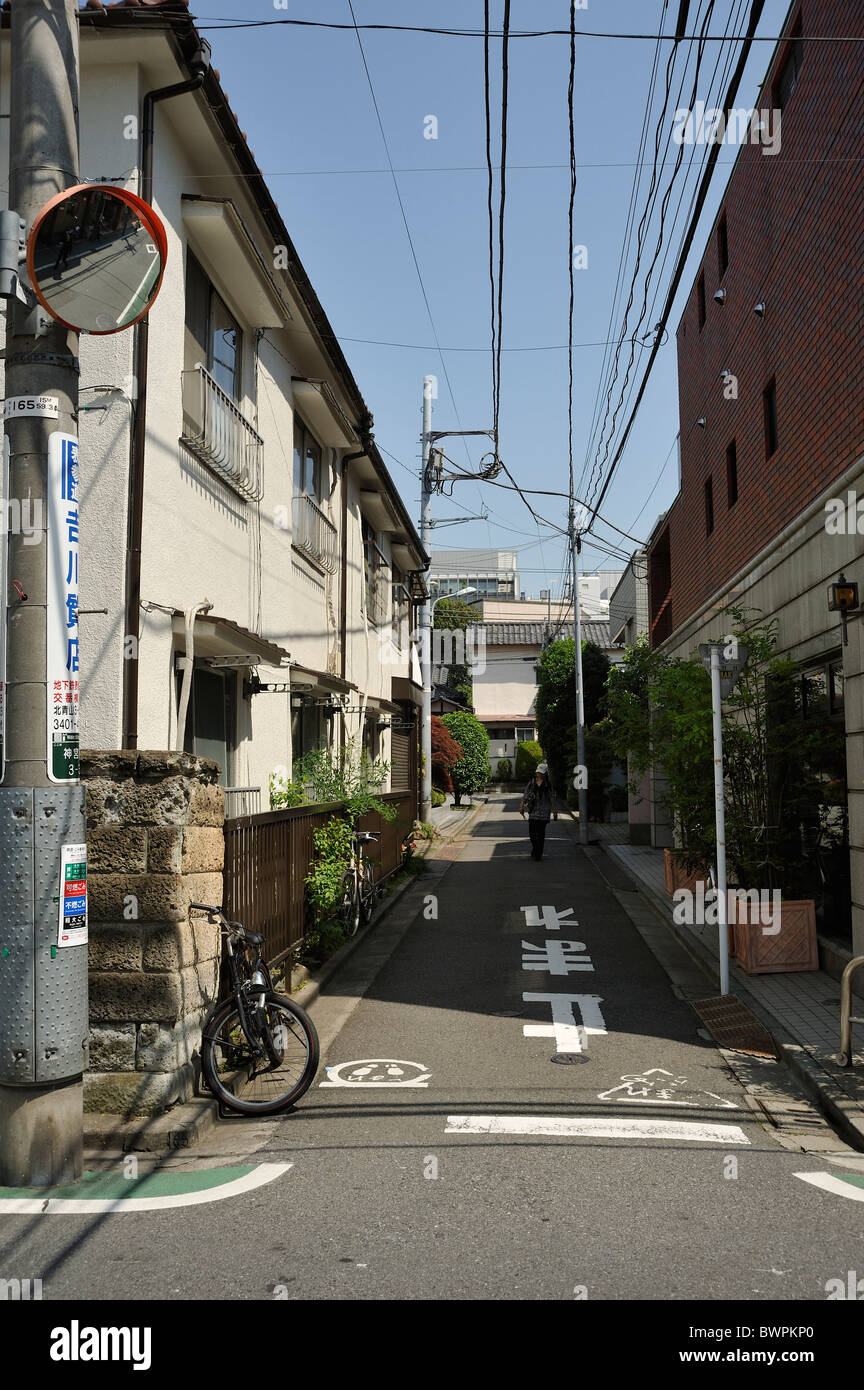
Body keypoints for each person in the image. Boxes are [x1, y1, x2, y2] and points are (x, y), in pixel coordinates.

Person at [519, 762, 558, 860]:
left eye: (541, 772)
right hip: (533, 812)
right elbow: (525, 795)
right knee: (532, 834)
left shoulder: (548, 785)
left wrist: (555, 812)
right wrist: (522, 807)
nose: (539, 774)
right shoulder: (532, 782)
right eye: (538, 772)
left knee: (540, 834)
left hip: (544, 813)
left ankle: (538, 853)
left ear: (545, 774)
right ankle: (535, 849)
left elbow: (552, 799)